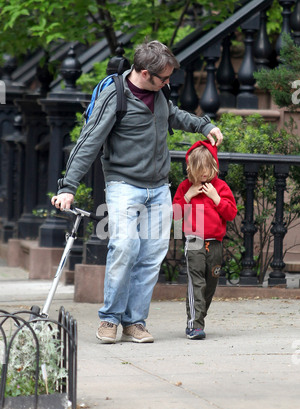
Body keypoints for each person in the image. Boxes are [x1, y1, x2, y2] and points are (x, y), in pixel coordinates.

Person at [51, 40, 224, 344]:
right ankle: (109, 319)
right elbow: (88, 142)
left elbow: (173, 114)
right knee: (125, 247)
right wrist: (68, 187)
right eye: (165, 78)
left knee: (152, 255)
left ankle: (135, 321)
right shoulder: (115, 96)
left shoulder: (159, 94)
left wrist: (202, 125)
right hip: (123, 185)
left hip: (158, 187)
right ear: (145, 73)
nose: (169, 82)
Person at [173, 140, 237, 340]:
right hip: (194, 241)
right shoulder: (185, 187)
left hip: (215, 243)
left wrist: (216, 198)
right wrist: (188, 197)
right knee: (196, 282)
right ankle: (194, 324)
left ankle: (199, 316)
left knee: (210, 283)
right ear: (190, 168)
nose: (204, 174)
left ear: (214, 166)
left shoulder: (220, 187)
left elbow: (231, 213)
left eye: (208, 168)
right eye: (200, 169)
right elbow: (175, 215)